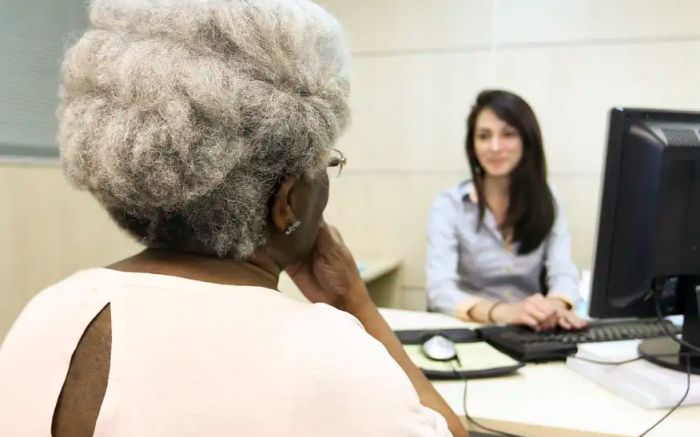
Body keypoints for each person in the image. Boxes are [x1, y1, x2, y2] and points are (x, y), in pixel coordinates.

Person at [0, 1, 467, 436]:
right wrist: (357, 306)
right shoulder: (333, 356)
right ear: (286, 200)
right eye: (328, 163)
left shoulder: (51, 311)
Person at [426, 90, 586, 331]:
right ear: (472, 145)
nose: (495, 147)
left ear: (527, 140)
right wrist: (504, 312)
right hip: (473, 327)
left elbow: (563, 271)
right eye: (484, 136)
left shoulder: (549, 199)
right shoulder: (449, 205)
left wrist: (553, 307)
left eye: (508, 134)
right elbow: (439, 289)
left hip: (532, 328)